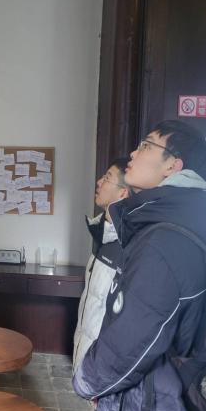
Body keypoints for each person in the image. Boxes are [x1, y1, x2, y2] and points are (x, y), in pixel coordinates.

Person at [73, 120, 206, 411]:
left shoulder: (163, 240)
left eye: (146, 146)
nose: (133, 154)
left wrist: (89, 380)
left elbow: (132, 338)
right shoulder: (187, 220)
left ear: (173, 166)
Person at [72, 158, 131, 375]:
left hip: (101, 366)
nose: (99, 182)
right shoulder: (103, 236)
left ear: (123, 193)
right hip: (85, 356)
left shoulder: (129, 244)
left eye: (107, 178)